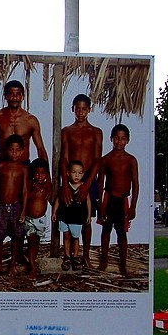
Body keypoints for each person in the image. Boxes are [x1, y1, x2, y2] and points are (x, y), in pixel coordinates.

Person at [59, 94, 103, 268]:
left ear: (89, 109)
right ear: (73, 109)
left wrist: (87, 184)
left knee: (86, 219)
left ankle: (85, 256)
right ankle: (68, 255)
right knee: (67, 216)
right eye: (78, 108)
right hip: (71, 178)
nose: (81, 112)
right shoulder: (67, 131)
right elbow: (64, 158)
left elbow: (97, 159)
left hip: (88, 178)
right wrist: (65, 184)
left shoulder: (96, 132)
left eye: (84, 108)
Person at [96, 124, 139, 277]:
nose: (119, 142)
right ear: (111, 139)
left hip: (123, 201)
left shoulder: (131, 160)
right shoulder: (106, 159)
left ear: (127, 140)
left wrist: (133, 206)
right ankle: (104, 260)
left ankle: (123, 265)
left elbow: (135, 184)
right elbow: (100, 183)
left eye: (122, 139)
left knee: (122, 233)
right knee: (105, 230)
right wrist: (100, 204)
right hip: (109, 198)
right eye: (116, 138)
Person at [0, 134, 28, 275]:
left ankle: (12, 264)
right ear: (6, 150)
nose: (14, 153)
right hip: (1, 206)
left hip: (16, 206)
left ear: (22, 151)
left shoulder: (23, 169)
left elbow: (25, 191)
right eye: (11, 150)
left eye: (17, 150)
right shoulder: (1, 166)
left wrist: (23, 211)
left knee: (16, 236)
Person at [51, 160, 91, 272]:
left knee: (75, 237)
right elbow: (58, 200)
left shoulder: (83, 187)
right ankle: (67, 256)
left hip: (77, 218)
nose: (77, 175)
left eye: (79, 173)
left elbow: (88, 201)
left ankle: (75, 256)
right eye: (74, 172)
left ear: (83, 174)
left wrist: (88, 215)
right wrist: (54, 212)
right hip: (64, 216)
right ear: (68, 173)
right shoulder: (65, 186)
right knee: (66, 236)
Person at [24, 158, 52, 279]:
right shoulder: (30, 184)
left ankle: (33, 260)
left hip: (41, 220)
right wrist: (33, 191)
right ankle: (32, 268)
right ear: (32, 174)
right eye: (37, 173)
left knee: (36, 242)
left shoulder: (47, 185)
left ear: (46, 174)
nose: (40, 176)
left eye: (43, 173)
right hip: (29, 219)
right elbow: (25, 198)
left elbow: (50, 198)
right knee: (31, 242)